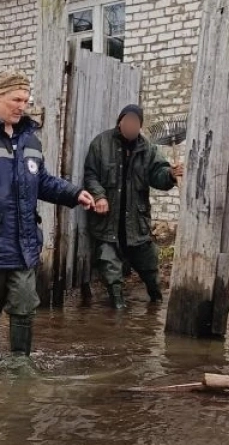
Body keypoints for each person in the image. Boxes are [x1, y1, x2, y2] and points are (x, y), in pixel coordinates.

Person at [0, 71, 94, 361]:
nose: (22, 105)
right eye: (16, 99)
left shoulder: (30, 141)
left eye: (26, 100)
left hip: (23, 242)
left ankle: (21, 365)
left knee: (24, 305)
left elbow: (42, 181)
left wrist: (73, 194)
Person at [82, 104, 184, 309]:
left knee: (150, 268)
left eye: (135, 122)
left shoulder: (148, 150)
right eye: (127, 121)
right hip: (107, 221)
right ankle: (118, 307)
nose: (130, 125)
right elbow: (90, 175)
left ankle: (156, 302)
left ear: (140, 126)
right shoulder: (100, 144)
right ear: (120, 122)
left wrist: (171, 175)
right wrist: (99, 196)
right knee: (110, 269)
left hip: (136, 222)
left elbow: (159, 175)